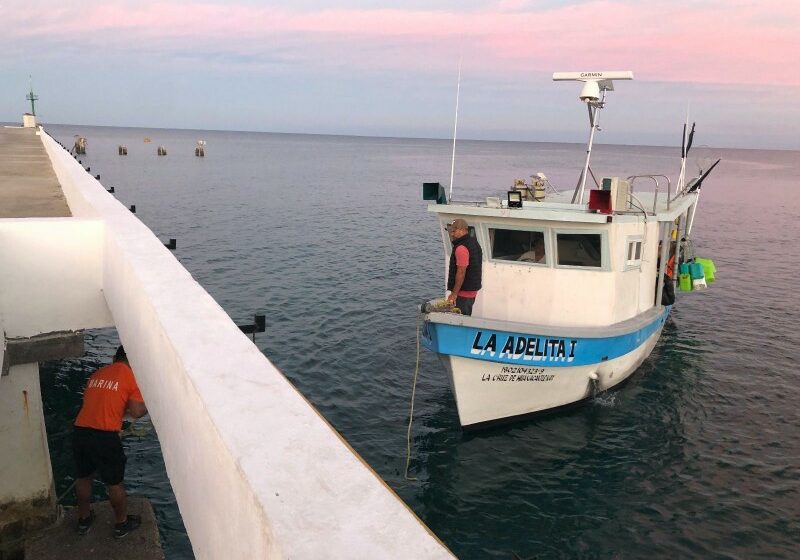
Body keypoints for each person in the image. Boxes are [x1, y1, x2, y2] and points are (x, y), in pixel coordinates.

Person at [72, 345, 147, 538]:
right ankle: (121, 524)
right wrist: (150, 403)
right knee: (114, 483)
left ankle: (83, 520)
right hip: (105, 436)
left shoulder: (97, 374)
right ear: (134, 362)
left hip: (80, 430)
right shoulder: (132, 377)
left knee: (83, 477)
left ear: (114, 357)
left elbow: (101, 402)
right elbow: (136, 411)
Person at [446, 218, 482, 316]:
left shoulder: (461, 248)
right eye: (451, 231)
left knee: (460, 319)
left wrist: (454, 294)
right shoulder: (474, 242)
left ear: (462, 230)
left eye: (454, 231)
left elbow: (461, 272)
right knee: (465, 316)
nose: (451, 234)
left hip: (463, 293)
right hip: (471, 291)